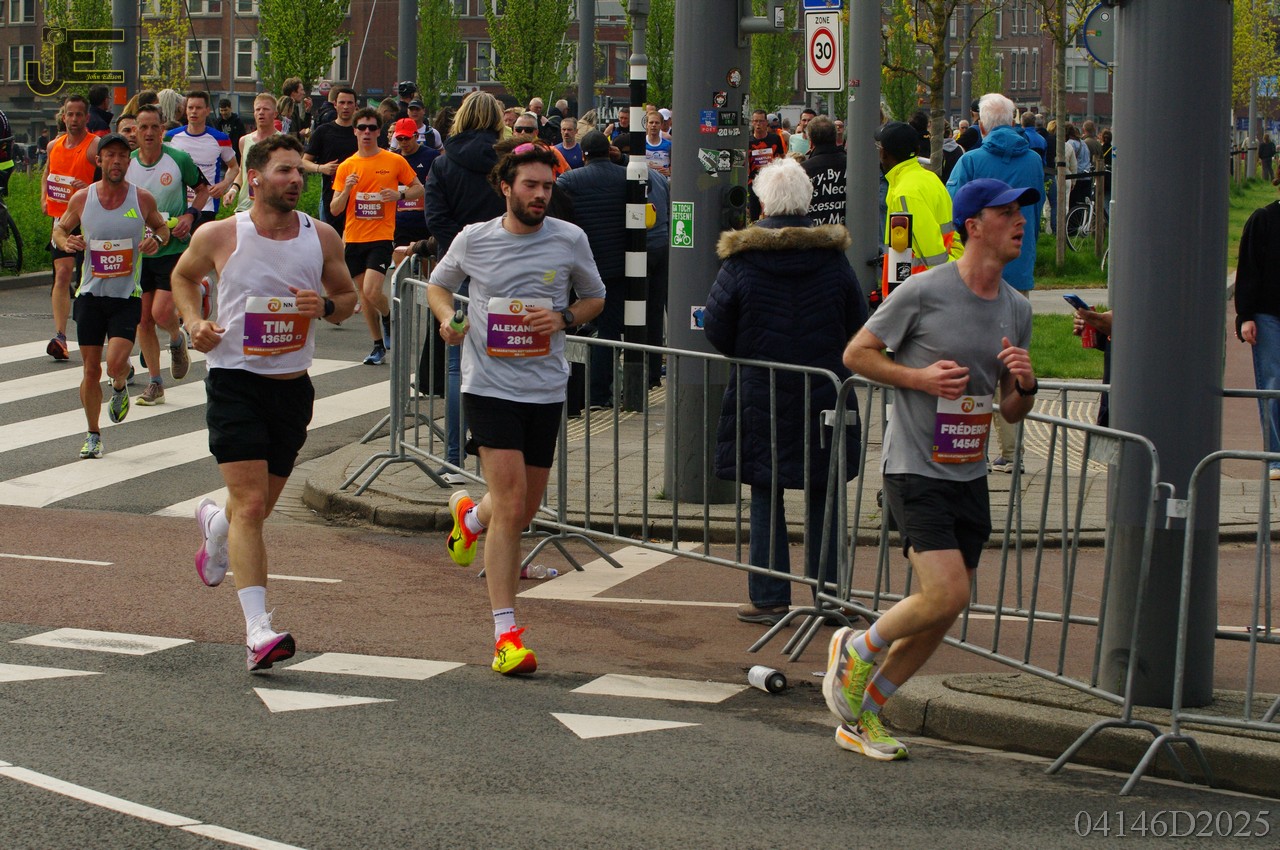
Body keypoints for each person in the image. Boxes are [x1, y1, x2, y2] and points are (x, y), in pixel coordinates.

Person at [834, 177, 1039, 760]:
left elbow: (1009, 409)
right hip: (914, 466)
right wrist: (919, 378)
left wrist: (1025, 384)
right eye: (1007, 212)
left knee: (943, 610)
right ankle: (857, 648)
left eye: (1021, 211)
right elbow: (856, 354)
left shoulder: (1017, 307)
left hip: (968, 470)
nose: (1021, 221)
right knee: (947, 592)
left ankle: (864, 714)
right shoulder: (923, 291)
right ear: (974, 226)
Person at [170, 134, 357, 672]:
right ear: (254, 178)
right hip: (235, 382)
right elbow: (183, 276)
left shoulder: (321, 236)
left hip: (292, 388)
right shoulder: (221, 233)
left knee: (257, 507)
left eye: (299, 171)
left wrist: (323, 306)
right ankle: (258, 632)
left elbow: (346, 299)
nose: (295, 180)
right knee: (251, 506)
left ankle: (216, 526)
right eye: (284, 171)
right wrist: (194, 322)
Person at [427, 143, 606, 675]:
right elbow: (439, 286)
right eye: (531, 185)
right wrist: (448, 319)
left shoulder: (569, 238)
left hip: (545, 387)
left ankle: (469, 518)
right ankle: (506, 636)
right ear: (506, 187)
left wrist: (565, 319)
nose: (540, 195)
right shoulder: (475, 238)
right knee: (510, 505)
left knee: (524, 509)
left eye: (547, 186)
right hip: (489, 385)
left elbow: (595, 296)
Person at [703, 158, 866, 625]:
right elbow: (857, 320)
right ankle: (830, 597)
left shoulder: (741, 260)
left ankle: (769, 596)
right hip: (825, 390)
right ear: (807, 202)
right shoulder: (833, 259)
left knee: (765, 487)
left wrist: (748, 353)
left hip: (761, 389)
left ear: (762, 202)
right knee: (824, 490)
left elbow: (716, 325)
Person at [52, 133, 171, 459]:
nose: (116, 161)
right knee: (91, 370)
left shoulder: (142, 199)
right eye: (110, 155)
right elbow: (59, 229)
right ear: (100, 160)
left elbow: (162, 228)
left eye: (122, 156)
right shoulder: (82, 198)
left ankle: (119, 385)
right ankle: (93, 434)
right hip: (90, 294)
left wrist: (157, 241)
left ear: (128, 162)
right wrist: (66, 242)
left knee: (116, 363)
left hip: (126, 297)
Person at [947, 93, 1043, 474]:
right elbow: (1036, 209)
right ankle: (1012, 451)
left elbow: (955, 207)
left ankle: (972, 447)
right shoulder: (1034, 160)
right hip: (1019, 264)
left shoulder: (971, 161)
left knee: (970, 356)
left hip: (979, 269)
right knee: (1013, 358)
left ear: (982, 125)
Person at [423, 91, 507, 483]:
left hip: (456, 275)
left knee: (457, 364)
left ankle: (454, 459)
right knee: (505, 359)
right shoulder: (508, 161)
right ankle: (500, 457)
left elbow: (436, 218)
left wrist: (461, 253)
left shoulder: (442, 163)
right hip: (505, 270)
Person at [127, 105, 210, 406]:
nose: (149, 133)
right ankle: (155, 383)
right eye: (143, 127)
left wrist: (190, 215)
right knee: (143, 319)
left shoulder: (178, 159)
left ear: (163, 130)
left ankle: (176, 338)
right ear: (135, 131)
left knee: (160, 313)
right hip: (139, 252)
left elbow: (203, 190)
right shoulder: (128, 163)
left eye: (154, 127)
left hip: (172, 247)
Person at [331, 107, 424, 366]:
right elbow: (335, 209)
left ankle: (387, 315)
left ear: (379, 132)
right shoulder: (347, 166)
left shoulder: (394, 161)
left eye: (372, 128)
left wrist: (399, 194)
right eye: (362, 128)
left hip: (381, 236)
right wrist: (347, 189)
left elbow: (419, 189)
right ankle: (377, 346)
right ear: (355, 131)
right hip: (354, 238)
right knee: (364, 294)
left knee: (372, 290)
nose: (367, 132)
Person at [556, 129, 628, 409]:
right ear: (609, 151)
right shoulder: (626, 176)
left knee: (570, 320)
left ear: (583, 155)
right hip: (618, 266)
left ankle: (571, 393)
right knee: (610, 329)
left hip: (580, 264)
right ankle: (599, 393)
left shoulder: (570, 180)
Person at [877, 121, 963, 296]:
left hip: (919, 293)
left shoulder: (904, 193)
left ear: (884, 153)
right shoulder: (929, 178)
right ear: (916, 151)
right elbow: (954, 233)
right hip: (933, 287)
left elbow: (930, 254)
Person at [43, 94, 99, 362]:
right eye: (70, 114)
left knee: (92, 279)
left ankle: (101, 337)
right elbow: (47, 173)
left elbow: (112, 178)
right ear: (63, 116)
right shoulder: (53, 145)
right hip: (62, 220)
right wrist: (44, 198)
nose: (74, 119)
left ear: (86, 117)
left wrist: (88, 188)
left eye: (79, 114)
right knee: (63, 273)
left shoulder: (94, 145)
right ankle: (60, 336)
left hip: (90, 219)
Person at [1235, 180, 1280, 480]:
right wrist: (1246, 316)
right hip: (1268, 316)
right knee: (1274, 383)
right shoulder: (1264, 220)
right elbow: (1249, 269)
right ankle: (1275, 457)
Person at [165, 90, 240, 227]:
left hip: (206, 206)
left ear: (207, 111)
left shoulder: (220, 139)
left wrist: (224, 184)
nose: (194, 112)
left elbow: (234, 167)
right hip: (177, 205)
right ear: (185, 110)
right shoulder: (170, 137)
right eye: (190, 107)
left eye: (198, 108)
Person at [304, 86, 359, 234]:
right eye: (342, 102)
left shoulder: (362, 132)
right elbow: (304, 162)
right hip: (332, 194)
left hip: (360, 195)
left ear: (355, 105)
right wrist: (321, 168)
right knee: (334, 237)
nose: (345, 107)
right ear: (335, 104)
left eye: (349, 103)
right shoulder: (323, 131)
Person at [391, 117, 438, 246]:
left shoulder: (432, 156)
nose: (403, 142)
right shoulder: (394, 158)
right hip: (401, 222)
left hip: (425, 220)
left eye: (407, 138)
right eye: (399, 139)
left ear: (416, 136)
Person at [235, 93, 280, 213]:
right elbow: (242, 171)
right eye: (258, 109)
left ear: (275, 114)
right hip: (245, 207)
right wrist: (233, 189)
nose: (261, 112)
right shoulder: (244, 141)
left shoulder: (283, 141)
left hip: (272, 208)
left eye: (266, 109)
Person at [801, 116, 846, 226]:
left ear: (811, 142)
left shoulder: (802, 171)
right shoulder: (853, 166)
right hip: (849, 231)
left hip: (814, 232)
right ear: (835, 137)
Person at [747, 109, 787, 220]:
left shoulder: (775, 139)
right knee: (754, 212)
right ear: (752, 122)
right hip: (753, 181)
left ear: (766, 123)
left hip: (771, 181)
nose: (758, 124)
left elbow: (782, 157)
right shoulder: (747, 141)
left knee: (771, 211)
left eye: (761, 121)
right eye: (755, 121)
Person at [643, 111, 672, 176]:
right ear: (646, 124)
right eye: (651, 122)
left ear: (661, 125)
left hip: (663, 180)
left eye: (657, 123)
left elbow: (676, 166)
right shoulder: (640, 144)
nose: (654, 125)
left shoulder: (669, 145)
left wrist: (670, 172)